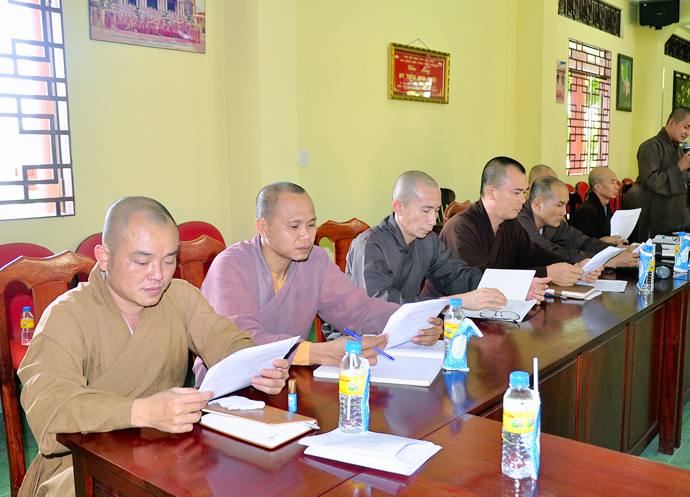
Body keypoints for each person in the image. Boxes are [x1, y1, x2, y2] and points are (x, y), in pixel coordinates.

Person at [17, 197, 291, 497]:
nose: (158, 275)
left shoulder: (180, 297)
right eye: (141, 262)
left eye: (169, 260)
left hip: (166, 452)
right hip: (82, 467)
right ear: (104, 257)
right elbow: (51, 411)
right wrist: (142, 411)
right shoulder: (67, 315)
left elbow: (229, 342)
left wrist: (259, 368)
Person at [195, 182, 443, 383]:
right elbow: (242, 342)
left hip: (287, 379)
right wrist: (317, 353)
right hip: (227, 390)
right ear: (263, 227)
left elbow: (357, 309)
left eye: (311, 224)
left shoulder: (314, 259)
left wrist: (416, 322)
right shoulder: (230, 265)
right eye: (294, 226)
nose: (306, 236)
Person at [346, 171, 548, 308]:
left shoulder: (428, 241)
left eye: (436, 210)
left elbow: (460, 276)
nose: (432, 220)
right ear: (399, 207)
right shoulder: (370, 245)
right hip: (359, 339)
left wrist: (516, 288)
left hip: (407, 331)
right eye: (425, 210)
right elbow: (380, 304)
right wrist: (454, 302)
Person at [439, 157, 601, 286]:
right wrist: (547, 273)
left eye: (524, 193)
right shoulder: (460, 228)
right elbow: (481, 280)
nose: (522, 201)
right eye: (516, 193)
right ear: (491, 192)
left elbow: (535, 256)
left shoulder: (510, 224)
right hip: (453, 312)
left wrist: (575, 267)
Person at [518, 173, 636, 267]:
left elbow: (582, 242)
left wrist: (618, 249)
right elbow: (550, 253)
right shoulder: (520, 222)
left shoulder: (553, 222)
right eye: (559, 205)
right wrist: (606, 260)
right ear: (538, 204)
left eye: (565, 205)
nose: (564, 212)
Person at [634, 107, 690, 241]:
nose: (688, 133)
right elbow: (650, 181)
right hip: (657, 220)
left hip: (680, 220)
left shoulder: (680, 151)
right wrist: (679, 168)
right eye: (686, 127)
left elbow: (684, 184)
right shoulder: (650, 147)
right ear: (672, 123)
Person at [571, 166, 626, 242]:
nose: (617, 187)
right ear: (598, 187)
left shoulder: (605, 206)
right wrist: (601, 243)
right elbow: (584, 245)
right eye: (612, 183)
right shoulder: (585, 211)